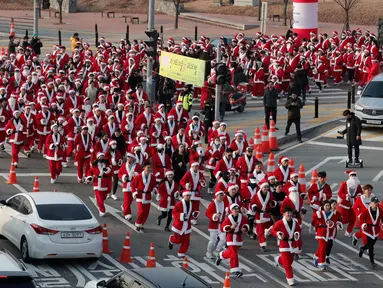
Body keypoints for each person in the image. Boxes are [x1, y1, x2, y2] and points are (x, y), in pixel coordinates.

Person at [216, 203, 249, 278]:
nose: (236, 211)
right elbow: (222, 228)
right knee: (234, 254)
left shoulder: (242, 217)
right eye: (234, 209)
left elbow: (246, 224)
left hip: (238, 237)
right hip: (230, 237)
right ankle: (235, 270)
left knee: (232, 252)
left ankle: (221, 255)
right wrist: (231, 227)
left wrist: (245, 228)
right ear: (231, 210)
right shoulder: (228, 219)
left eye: (237, 209)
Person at [271, 207, 302, 286]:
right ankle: (290, 279)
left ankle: (278, 259)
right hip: (284, 244)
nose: (289, 214)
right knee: (287, 264)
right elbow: (273, 230)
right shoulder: (279, 223)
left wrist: (297, 234)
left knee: (289, 261)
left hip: (292, 245)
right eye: (287, 212)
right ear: (284, 214)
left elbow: (298, 230)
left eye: (290, 212)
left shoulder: (295, 222)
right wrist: (278, 233)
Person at [312, 200, 342, 271]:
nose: (328, 207)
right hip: (321, 232)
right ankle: (321, 263)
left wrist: (335, 224)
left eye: (329, 205)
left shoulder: (332, 214)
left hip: (328, 233)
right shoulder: (320, 213)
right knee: (323, 247)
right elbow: (314, 218)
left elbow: (336, 221)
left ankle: (316, 256)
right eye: (326, 205)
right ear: (323, 206)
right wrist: (317, 214)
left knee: (323, 247)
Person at [168, 190, 198, 258]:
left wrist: (194, 214)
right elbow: (174, 213)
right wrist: (181, 216)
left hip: (187, 225)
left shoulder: (191, 204)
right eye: (187, 195)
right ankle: (171, 239)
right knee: (177, 240)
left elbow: (193, 212)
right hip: (179, 224)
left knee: (186, 242)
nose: (188, 197)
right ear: (184, 196)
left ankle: (181, 252)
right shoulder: (179, 204)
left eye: (189, 196)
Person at [251, 180, 276, 251]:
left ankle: (255, 231)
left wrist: (273, 204)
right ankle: (263, 245)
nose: (266, 188)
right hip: (259, 215)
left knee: (269, 230)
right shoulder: (256, 196)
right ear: (261, 188)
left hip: (267, 215)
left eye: (267, 187)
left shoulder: (270, 194)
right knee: (261, 231)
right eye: (264, 187)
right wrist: (255, 207)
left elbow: (273, 200)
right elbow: (252, 203)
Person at [131, 162, 157, 231]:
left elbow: (154, 185)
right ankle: (138, 223)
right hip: (140, 196)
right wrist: (134, 193)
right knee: (141, 211)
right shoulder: (138, 177)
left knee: (146, 212)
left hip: (148, 196)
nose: (149, 169)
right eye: (147, 167)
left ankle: (142, 223)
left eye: (150, 167)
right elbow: (133, 185)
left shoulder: (152, 177)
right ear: (143, 168)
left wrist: (154, 189)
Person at [358, 196, 383, 268]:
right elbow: (361, 218)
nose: (376, 204)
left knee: (372, 243)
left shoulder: (380, 211)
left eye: (377, 203)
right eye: (374, 203)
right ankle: (372, 262)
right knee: (371, 247)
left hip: (376, 230)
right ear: (371, 203)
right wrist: (363, 225)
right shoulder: (366, 211)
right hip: (368, 230)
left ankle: (362, 248)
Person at [337, 170, 363, 237]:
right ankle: (337, 224)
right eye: (352, 175)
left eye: (355, 175)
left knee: (353, 218)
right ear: (349, 176)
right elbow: (340, 193)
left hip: (354, 204)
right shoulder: (344, 184)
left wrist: (359, 195)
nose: (353, 177)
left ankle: (348, 232)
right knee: (345, 219)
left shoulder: (358, 185)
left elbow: (361, 192)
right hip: (345, 204)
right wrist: (345, 196)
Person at [118, 153, 142, 221]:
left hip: (134, 186)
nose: (128, 159)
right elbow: (120, 174)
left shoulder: (138, 166)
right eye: (127, 157)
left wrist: (137, 175)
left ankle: (124, 206)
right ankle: (127, 214)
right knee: (127, 201)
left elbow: (141, 174)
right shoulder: (123, 165)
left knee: (130, 200)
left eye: (129, 157)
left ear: (133, 158)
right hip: (126, 185)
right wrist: (124, 176)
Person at [205, 190, 227, 258]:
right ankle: (209, 252)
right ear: (216, 196)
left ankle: (217, 251)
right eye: (220, 195)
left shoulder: (224, 203)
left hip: (221, 225)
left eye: (222, 195)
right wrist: (214, 215)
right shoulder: (212, 204)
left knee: (223, 239)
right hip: (214, 225)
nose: (221, 197)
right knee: (213, 241)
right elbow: (207, 213)